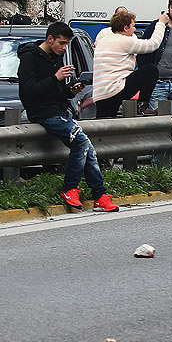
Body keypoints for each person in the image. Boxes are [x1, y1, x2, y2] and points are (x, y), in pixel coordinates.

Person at [17, 22, 119, 212]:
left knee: (87, 147)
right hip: (43, 113)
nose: (64, 48)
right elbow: (28, 92)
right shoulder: (30, 58)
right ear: (50, 39)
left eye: (66, 44)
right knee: (81, 142)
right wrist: (55, 77)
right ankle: (71, 188)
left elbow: (56, 91)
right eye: (62, 43)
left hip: (59, 110)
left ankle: (99, 195)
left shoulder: (56, 56)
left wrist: (70, 90)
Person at [93, 9, 167, 118]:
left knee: (105, 127)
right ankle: (142, 106)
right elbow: (153, 44)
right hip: (115, 89)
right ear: (125, 28)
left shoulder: (103, 41)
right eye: (133, 26)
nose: (135, 29)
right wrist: (161, 23)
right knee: (151, 70)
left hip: (100, 95)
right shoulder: (124, 41)